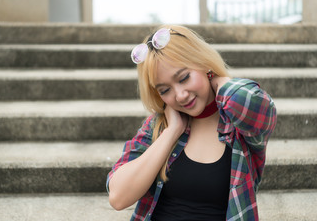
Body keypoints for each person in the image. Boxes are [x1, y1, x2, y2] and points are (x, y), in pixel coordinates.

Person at [106, 25, 277, 221]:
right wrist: (172, 132)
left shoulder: (239, 125)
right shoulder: (159, 126)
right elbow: (118, 197)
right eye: (165, 90)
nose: (180, 95)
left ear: (203, 63)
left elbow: (252, 101)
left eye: (184, 78)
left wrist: (218, 80)